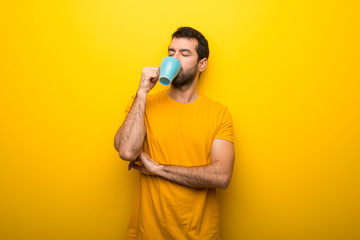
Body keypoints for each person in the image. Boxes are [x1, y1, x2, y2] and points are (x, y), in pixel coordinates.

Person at [114, 26, 235, 239]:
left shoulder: (219, 113)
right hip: (147, 233)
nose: (174, 59)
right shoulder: (142, 104)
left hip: (200, 235)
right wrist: (142, 92)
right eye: (171, 53)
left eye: (184, 53)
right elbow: (126, 151)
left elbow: (222, 176)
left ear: (202, 64)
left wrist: (158, 169)